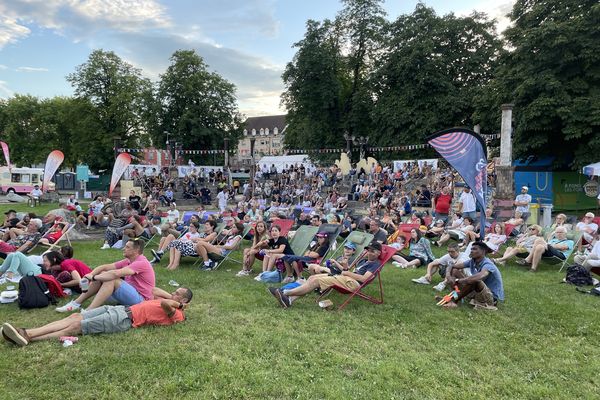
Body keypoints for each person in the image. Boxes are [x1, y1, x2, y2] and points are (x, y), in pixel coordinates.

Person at [1, 287, 192, 347]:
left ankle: (29, 337)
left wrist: (178, 303)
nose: (172, 295)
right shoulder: (171, 300)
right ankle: (26, 332)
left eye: (177, 294)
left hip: (125, 320)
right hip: (121, 310)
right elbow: (154, 290)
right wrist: (171, 295)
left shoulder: (178, 314)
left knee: (75, 328)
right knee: (75, 317)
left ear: (183, 301)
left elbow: (167, 304)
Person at [267, 241, 383, 308]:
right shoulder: (364, 261)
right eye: (368, 250)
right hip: (346, 278)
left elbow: (364, 279)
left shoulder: (375, 264)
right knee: (312, 277)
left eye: (373, 251)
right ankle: (289, 300)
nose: (369, 253)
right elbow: (346, 270)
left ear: (379, 253)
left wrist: (347, 272)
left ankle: (285, 293)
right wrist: (345, 266)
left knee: (317, 281)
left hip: (353, 283)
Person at [55, 239, 155, 313]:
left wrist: (94, 278)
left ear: (136, 250)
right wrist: (90, 275)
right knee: (104, 276)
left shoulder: (141, 262)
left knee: (112, 279)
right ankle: (75, 303)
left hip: (141, 301)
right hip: (130, 295)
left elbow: (115, 274)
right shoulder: (128, 260)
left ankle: (88, 311)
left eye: (127, 247)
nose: (123, 248)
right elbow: (105, 267)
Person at [441, 241, 504, 311]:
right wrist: (448, 276)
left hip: (491, 297)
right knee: (455, 271)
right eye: (471, 249)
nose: (471, 251)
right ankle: (454, 296)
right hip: (478, 291)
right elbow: (452, 266)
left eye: (474, 249)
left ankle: (453, 301)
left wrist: (459, 280)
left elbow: (480, 276)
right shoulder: (472, 261)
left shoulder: (488, 264)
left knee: (474, 280)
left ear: (483, 251)